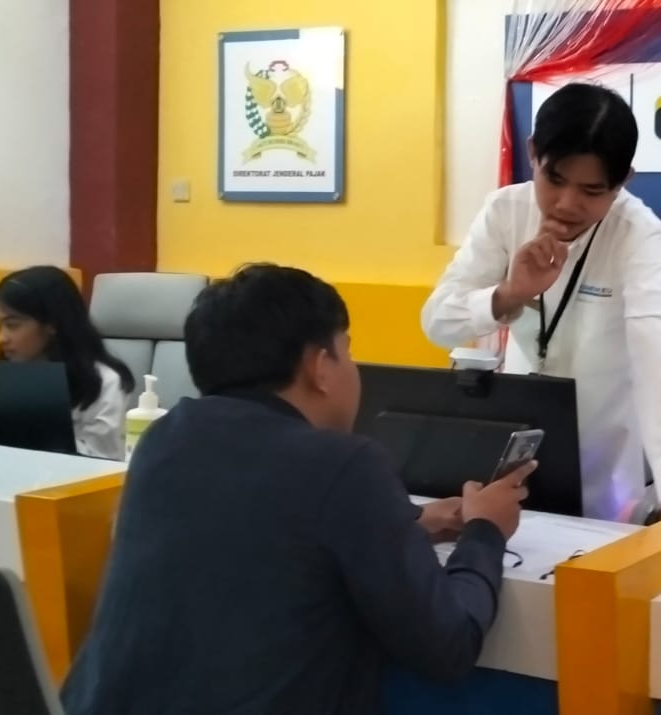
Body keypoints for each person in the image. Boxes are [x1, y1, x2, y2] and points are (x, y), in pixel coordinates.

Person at [61, 263, 532, 714]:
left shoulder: (163, 439)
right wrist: (485, 532)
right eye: (347, 351)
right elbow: (448, 644)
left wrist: (408, 523)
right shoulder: (344, 464)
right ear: (319, 366)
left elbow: (261, 529)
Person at [421, 82, 661, 547]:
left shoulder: (637, 233)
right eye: (554, 180)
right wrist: (509, 294)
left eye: (592, 190)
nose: (567, 204)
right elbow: (438, 321)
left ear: (623, 181)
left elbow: (655, 346)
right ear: (533, 154)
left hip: (603, 470)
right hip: (514, 458)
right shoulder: (505, 212)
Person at [0, 266, 135, 459]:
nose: (1, 338)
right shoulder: (3, 377)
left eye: (12, 325)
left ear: (52, 324)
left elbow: (101, 458)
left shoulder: (104, 382)